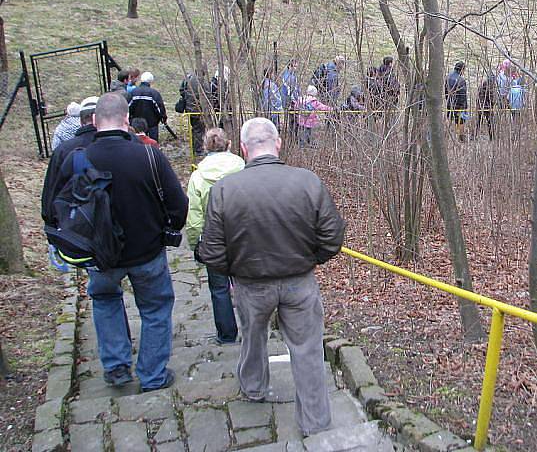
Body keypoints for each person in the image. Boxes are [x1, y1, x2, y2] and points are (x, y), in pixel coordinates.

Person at [197, 118, 345, 437]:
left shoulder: (225, 188)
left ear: (243, 149)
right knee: (307, 349)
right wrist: (307, 261)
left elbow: (210, 249)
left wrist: (236, 270)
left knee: (252, 337)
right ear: (277, 144)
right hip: (299, 282)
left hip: (251, 284)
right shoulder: (306, 181)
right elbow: (332, 237)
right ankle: (316, 423)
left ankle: (253, 388)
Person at [44, 93, 188, 391]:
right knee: (156, 309)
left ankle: (116, 368)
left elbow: (52, 207)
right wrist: (168, 228)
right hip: (147, 251)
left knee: (106, 302)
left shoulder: (77, 159)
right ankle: (152, 375)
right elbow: (178, 204)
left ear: (95, 121)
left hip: (98, 254)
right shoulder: (148, 155)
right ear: (126, 119)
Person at [186, 128, 244, 345]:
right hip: (242, 234)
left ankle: (227, 336)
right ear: (228, 144)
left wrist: (196, 243)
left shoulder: (198, 176)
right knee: (247, 283)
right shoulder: (242, 167)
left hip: (213, 238)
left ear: (205, 147)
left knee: (219, 288)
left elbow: (194, 215)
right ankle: (253, 329)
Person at [42, 96, 98, 228]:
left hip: (74, 223)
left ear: (81, 120)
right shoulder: (118, 146)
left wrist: (52, 224)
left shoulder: (63, 150)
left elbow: (52, 190)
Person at [129, 71, 168, 142]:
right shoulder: (154, 93)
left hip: (137, 123)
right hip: (152, 123)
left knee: (137, 142)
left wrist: (130, 119)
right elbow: (160, 108)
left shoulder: (134, 92)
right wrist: (163, 118)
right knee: (153, 143)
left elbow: (129, 107)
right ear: (151, 81)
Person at [178, 73, 207, 157]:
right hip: (197, 110)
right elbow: (207, 94)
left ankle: (195, 147)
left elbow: (181, 90)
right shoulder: (201, 82)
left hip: (189, 108)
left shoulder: (188, 78)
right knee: (199, 129)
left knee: (195, 128)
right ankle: (198, 150)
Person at [445, 61, 468, 142]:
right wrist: (464, 107)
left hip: (449, 103)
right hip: (459, 105)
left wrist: (447, 100)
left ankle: (446, 135)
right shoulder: (461, 80)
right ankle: (461, 138)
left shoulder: (448, 77)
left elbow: (445, 91)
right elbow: (463, 95)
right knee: (461, 121)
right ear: (462, 70)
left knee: (449, 119)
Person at [475, 73, 497, 141]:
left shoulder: (481, 85)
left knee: (478, 122)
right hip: (487, 108)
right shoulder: (490, 87)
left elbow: (477, 97)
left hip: (480, 106)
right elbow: (491, 99)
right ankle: (492, 138)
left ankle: (474, 136)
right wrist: (493, 104)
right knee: (490, 123)